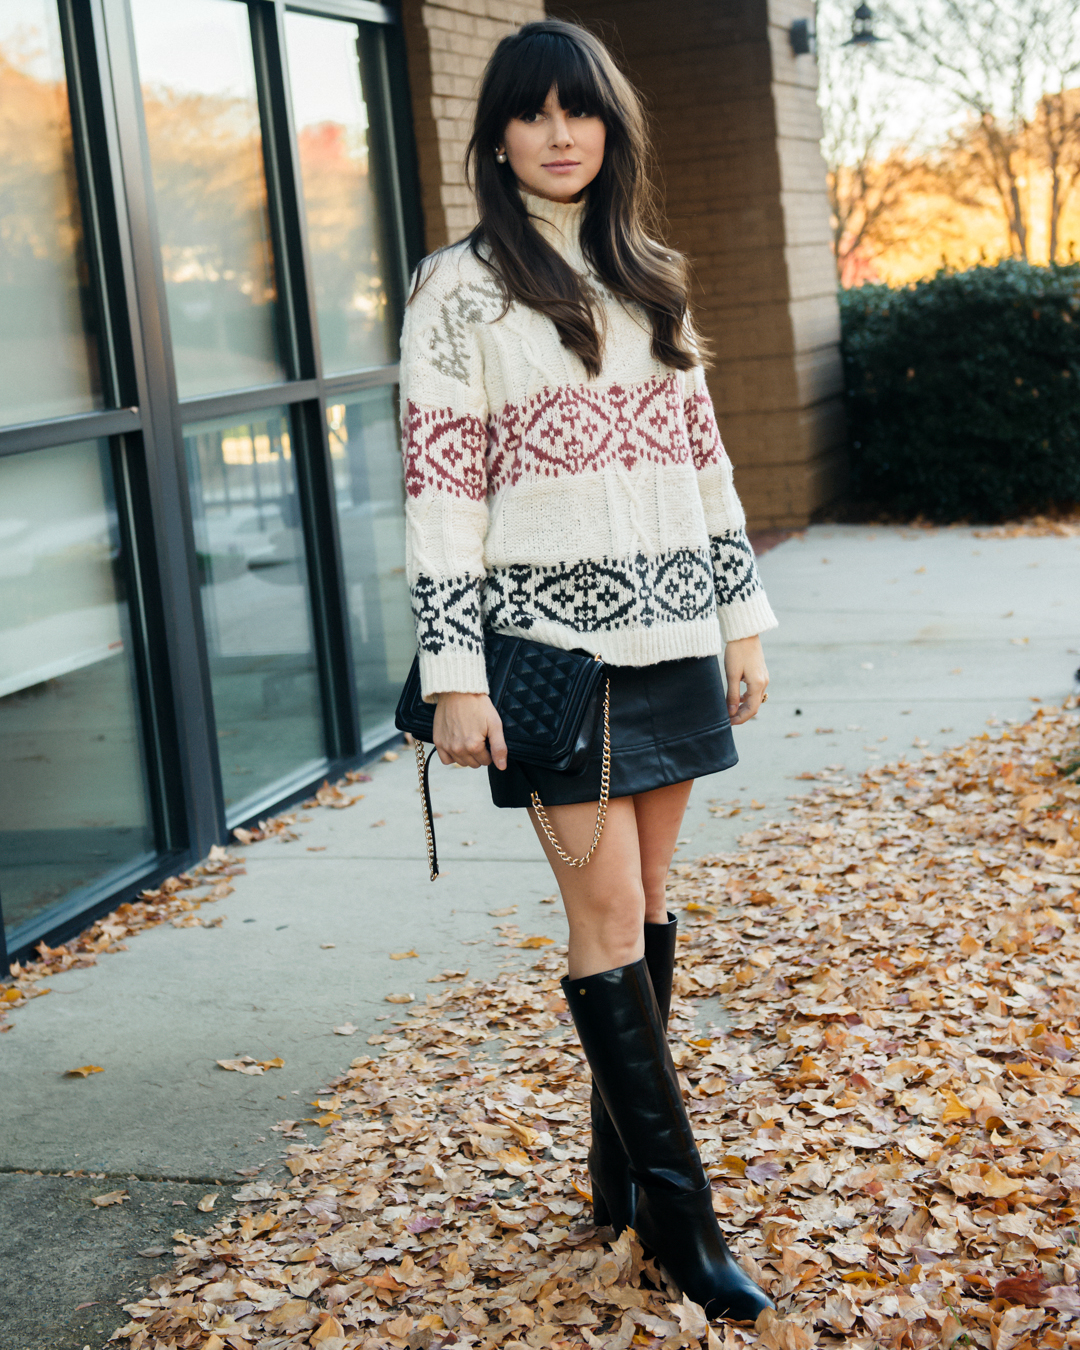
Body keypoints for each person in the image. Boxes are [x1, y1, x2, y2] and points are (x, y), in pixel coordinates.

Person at [399, 19, 777, 1323]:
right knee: (605, 916)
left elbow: (707, 463)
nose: (561, 133)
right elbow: (442, 500)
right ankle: (685, 1221)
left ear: (609, 129)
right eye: (533, 113)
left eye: (582, 112)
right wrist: (456, 673)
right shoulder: (458, 292)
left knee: (655, 893)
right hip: (547, 661)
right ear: (497, 135)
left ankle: (619, 1184)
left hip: (674, 634)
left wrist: (743, 619)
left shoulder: (648, 274)